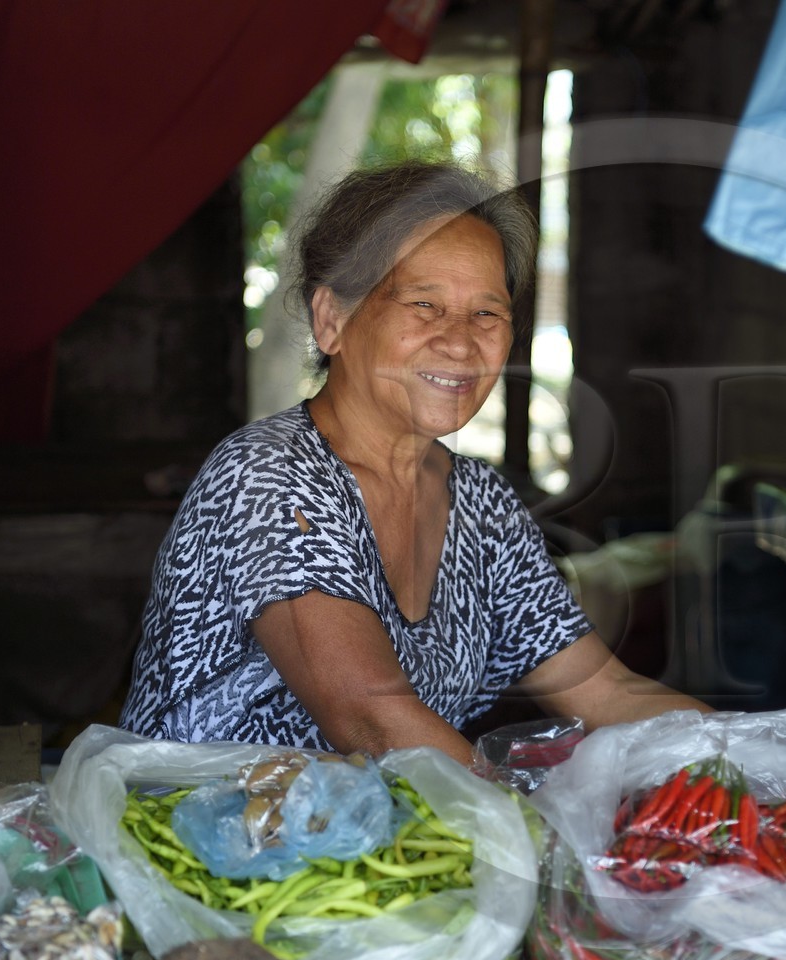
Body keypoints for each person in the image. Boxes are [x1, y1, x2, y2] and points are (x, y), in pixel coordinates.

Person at [119, 160, 709, 763]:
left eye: (487, 313)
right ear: (333, 320)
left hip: (378, 842)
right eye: (423, 303)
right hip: (202, 843)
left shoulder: (481, 505)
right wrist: (524, 827)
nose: (459, 341)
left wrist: (774, 754)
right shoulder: (267, 479)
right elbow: (371, 719)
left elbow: (607, 693)